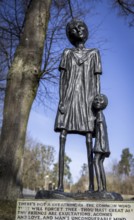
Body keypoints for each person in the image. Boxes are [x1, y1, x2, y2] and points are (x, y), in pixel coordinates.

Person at [54, 19, 102, 192]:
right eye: (73, 29)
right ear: (70, 35)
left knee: (90, 139)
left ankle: (92, 185)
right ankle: (59, 185)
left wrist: (97, 106)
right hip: (69, 98)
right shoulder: (67, 54)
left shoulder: (94, 53)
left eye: (81, 27)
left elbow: (97, 82)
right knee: (62, 136)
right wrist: (61, 100)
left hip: (87, 102)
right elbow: (62, 80)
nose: (78, 30)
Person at [92, 94, 110, 192]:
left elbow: (102, 131)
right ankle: (104, 188)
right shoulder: (101, 115)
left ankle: (100, 188)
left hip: (100, 143)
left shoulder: (99, 114)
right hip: (103, 144)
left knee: (96, 161)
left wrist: (102, 146)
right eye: (96, 100)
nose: (97, 102)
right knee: (100, 163)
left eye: (100, 100)